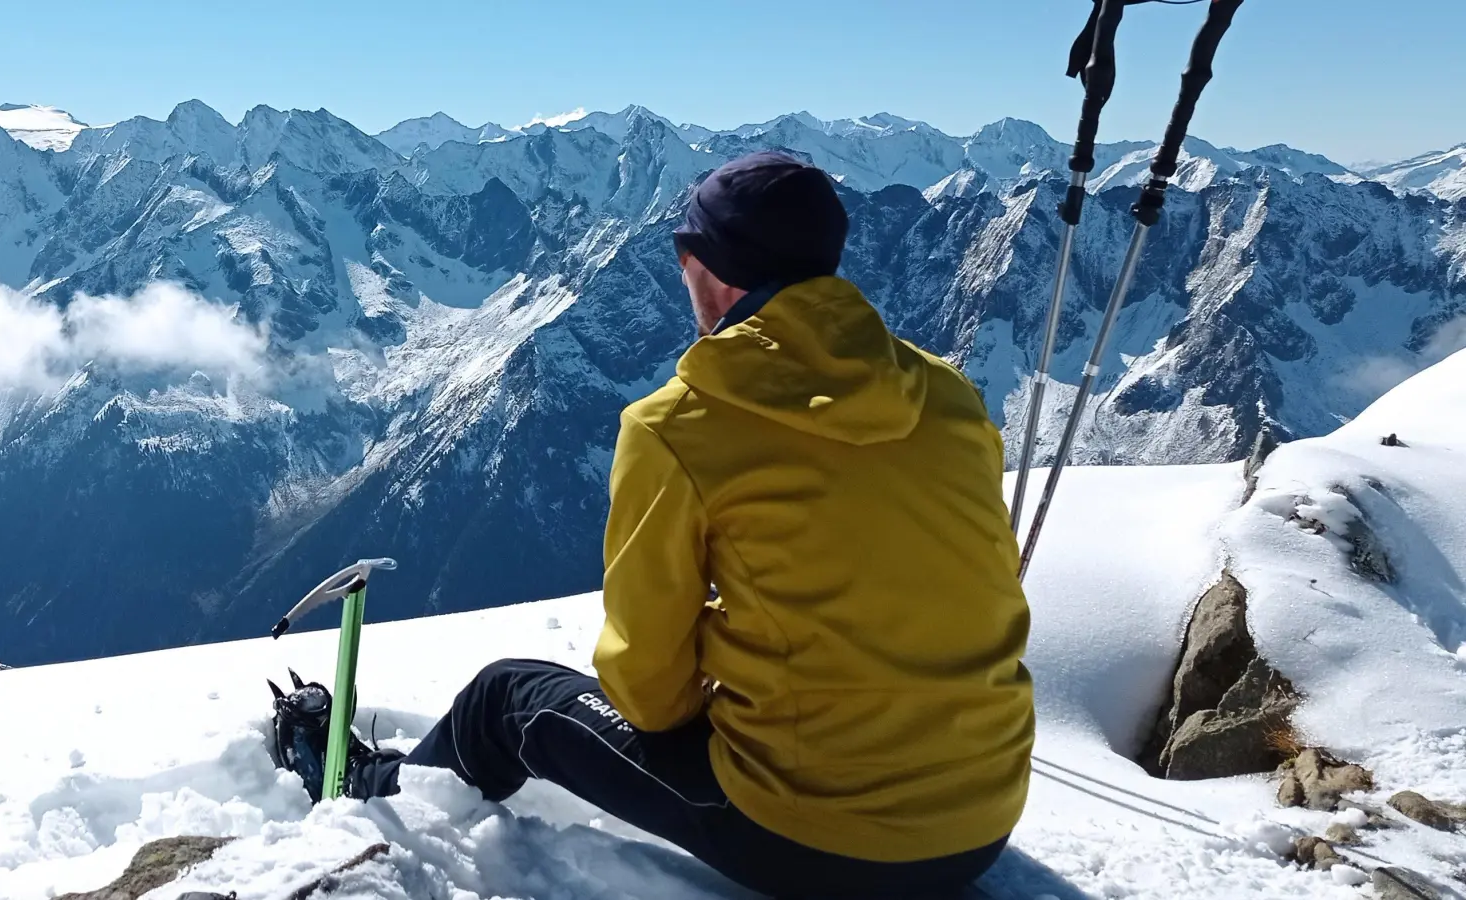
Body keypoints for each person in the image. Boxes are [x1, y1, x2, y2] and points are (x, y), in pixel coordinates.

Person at [271, 150, 1035, 899]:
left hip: (812, 838)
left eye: (684, 252)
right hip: (985, 813)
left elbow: (647, 694)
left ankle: (371, 794)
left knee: (504, 699)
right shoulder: (948, 395)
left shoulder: (681, 424)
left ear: (715, 267)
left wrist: (729, 668)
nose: (679, 273)